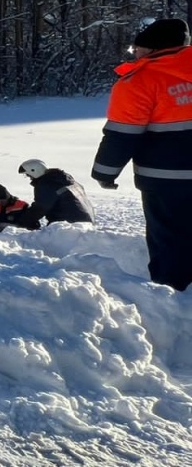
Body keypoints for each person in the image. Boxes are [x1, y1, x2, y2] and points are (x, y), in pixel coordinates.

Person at [92, 17, 192, 291]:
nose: (133, 53)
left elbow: (122, 134)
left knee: (169, 242)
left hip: (166, 180)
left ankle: (172, 300)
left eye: (136, 48)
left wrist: (104, 172)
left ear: (151, 49)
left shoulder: (140, 81)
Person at [16, 158, 95, 227]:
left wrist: (23, 220)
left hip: (69, 226)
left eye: (28, 175)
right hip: (87, 222)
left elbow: (40, 208)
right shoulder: (64, 179)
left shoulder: (46, 184)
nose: (29, 178)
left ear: (34, 171)